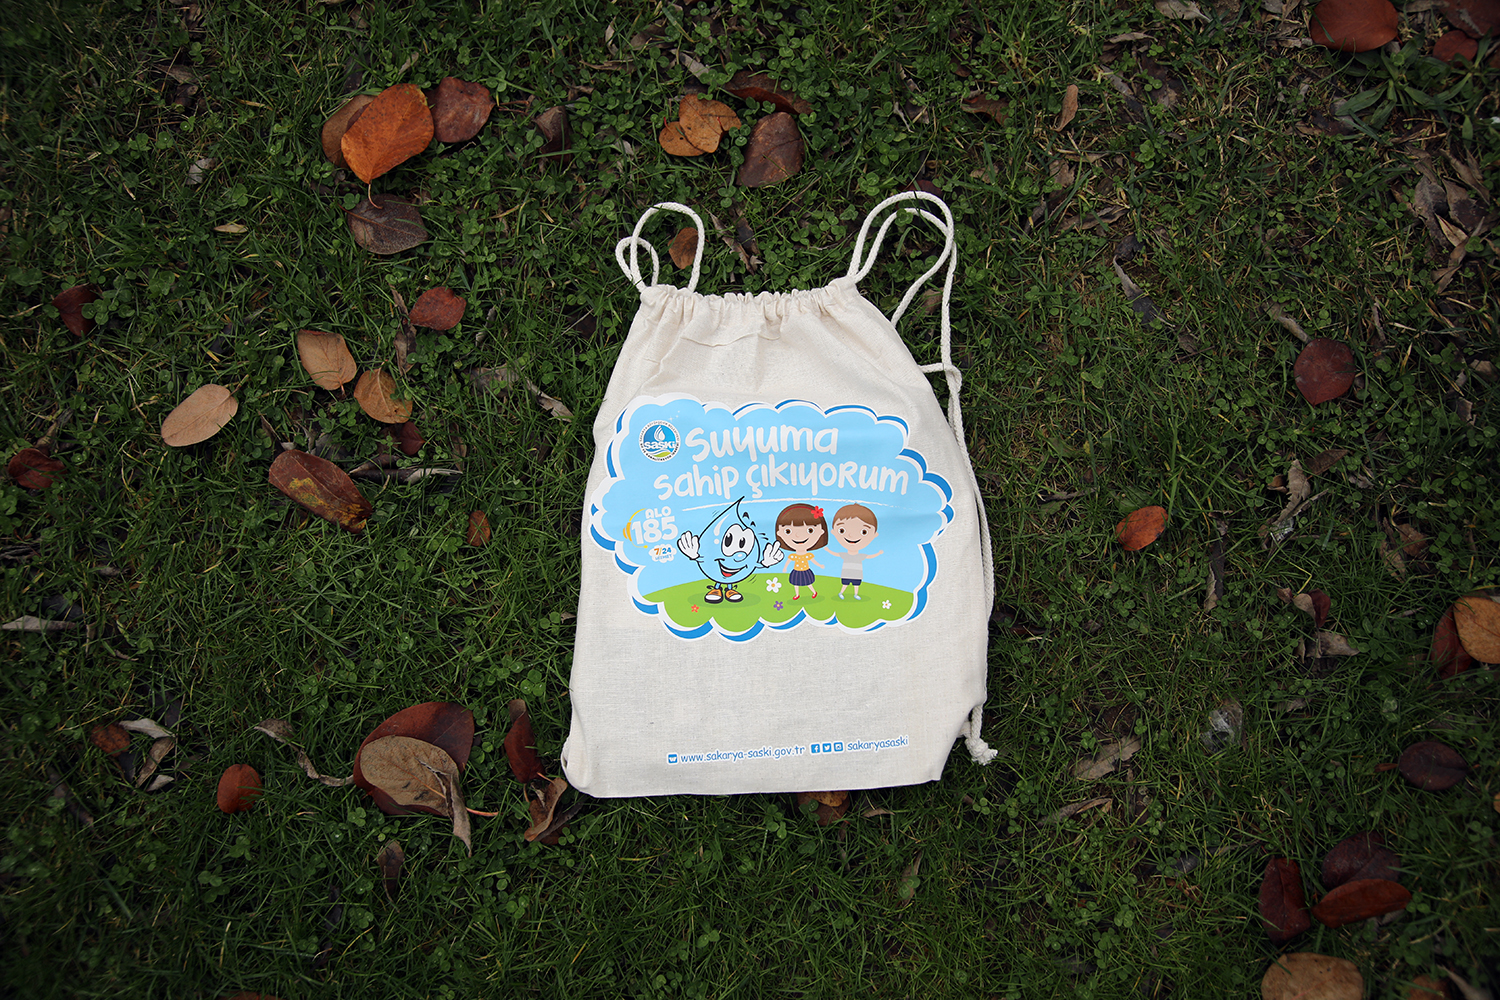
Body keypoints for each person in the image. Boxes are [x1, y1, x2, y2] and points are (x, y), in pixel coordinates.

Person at [774, 503, 827, 600]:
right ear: (779, 534)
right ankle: (797, 594)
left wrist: (820, 565)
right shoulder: (794, 556)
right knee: (796, 583)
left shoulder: (807, 555)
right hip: (796, 571)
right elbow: (788, 561)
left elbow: (813, 561)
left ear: (821, 532)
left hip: (805, 570)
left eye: (810, 530)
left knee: (808, 583)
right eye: (788, 531)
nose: (798, 535)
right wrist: (785, 568)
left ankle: (814, 592)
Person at [830, 504, 883, 600]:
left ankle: (855, 594)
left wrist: (878, 554)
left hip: (857, 574)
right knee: (845, 584)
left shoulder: (860, 556)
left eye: (864, 532)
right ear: (833, 532)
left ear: (874, 535)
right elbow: (836, 554)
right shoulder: (845, 555)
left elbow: (869, 556)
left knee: (856, 585)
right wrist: (828, 550)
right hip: (846, 573)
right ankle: (841, 593)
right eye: (842, 530)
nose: (851, 535)